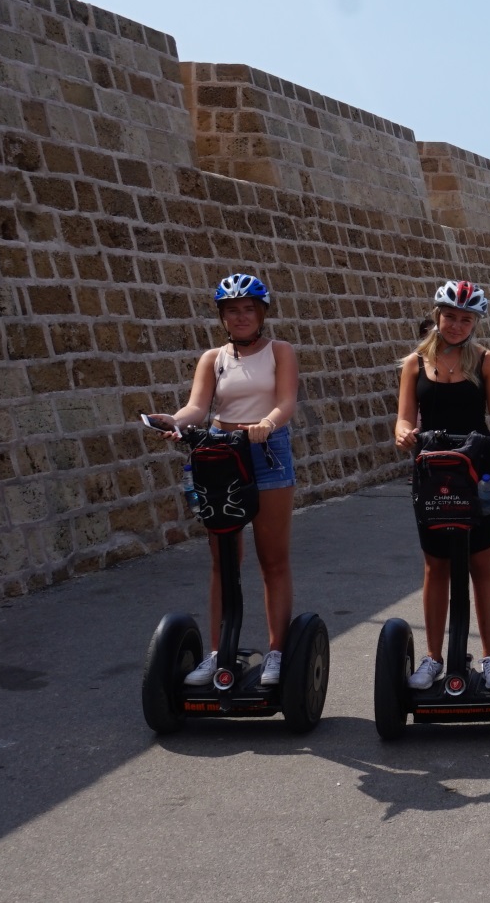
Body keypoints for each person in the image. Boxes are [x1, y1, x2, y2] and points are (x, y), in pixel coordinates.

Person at [151, 274, 301, 689]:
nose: (240, 316)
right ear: (222, 316)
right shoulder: (213, 358)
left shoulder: (280, 352)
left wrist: (267, 423)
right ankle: (218, 651)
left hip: (267, 451)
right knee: (223, 561)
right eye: (232, 310)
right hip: (221, 454)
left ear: (261, 314)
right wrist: (176, 423)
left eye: (247, 309)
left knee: (273, 559)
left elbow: (286, 401)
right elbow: (197, 406)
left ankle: (276, 652)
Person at [393, 282, 490, 690]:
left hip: (477, 468)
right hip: (432, 469)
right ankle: (432, 657)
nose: (456, 324)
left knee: (480, 562)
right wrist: (402, 433)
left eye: (465, 318)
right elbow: (403, 418)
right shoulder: (415, 363)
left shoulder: (485, 361)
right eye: (450, 315)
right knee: (436, 565)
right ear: (437, 315)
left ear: (476, 322)